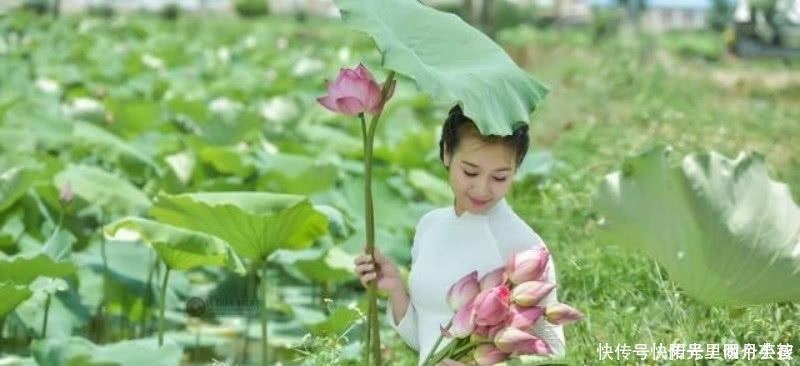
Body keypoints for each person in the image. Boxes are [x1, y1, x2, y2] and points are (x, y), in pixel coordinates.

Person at [353, 105, 566, 366]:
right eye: (470, 172)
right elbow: (427, 342)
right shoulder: (430, 225)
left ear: (516, 169)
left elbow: (554, 353)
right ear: (446, 154)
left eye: (499, 177)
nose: (482, 189)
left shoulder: (525, 246)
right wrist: (396, 288)